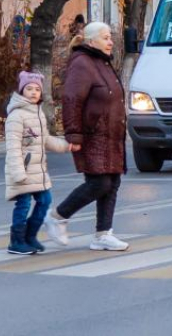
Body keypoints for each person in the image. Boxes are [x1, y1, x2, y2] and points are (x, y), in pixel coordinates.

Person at [44, 22, 130, 251]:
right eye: (105, 38)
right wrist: (73, 134)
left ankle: (103, 234)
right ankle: (58, 216)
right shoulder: (82, 64)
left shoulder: (102, 62)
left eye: (110, 37)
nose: (110, 41)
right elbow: (72, 100)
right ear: (91, 41)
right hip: (93, 134)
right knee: (99, 183)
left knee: (111, 182)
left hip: (110, 134)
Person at [4, 71, 78, 255]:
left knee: (45, 201)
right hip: (22, 171)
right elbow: (13, 148)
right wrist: (18, 173)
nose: (33, 92)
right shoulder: (16, 116)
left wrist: (67, 146)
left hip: (38, 171)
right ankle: (16, 241)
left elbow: (46, 140)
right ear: (21, 91)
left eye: (37, 89)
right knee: (23, 205)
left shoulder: (38, 114)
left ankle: (30, 236)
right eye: (29, 88)